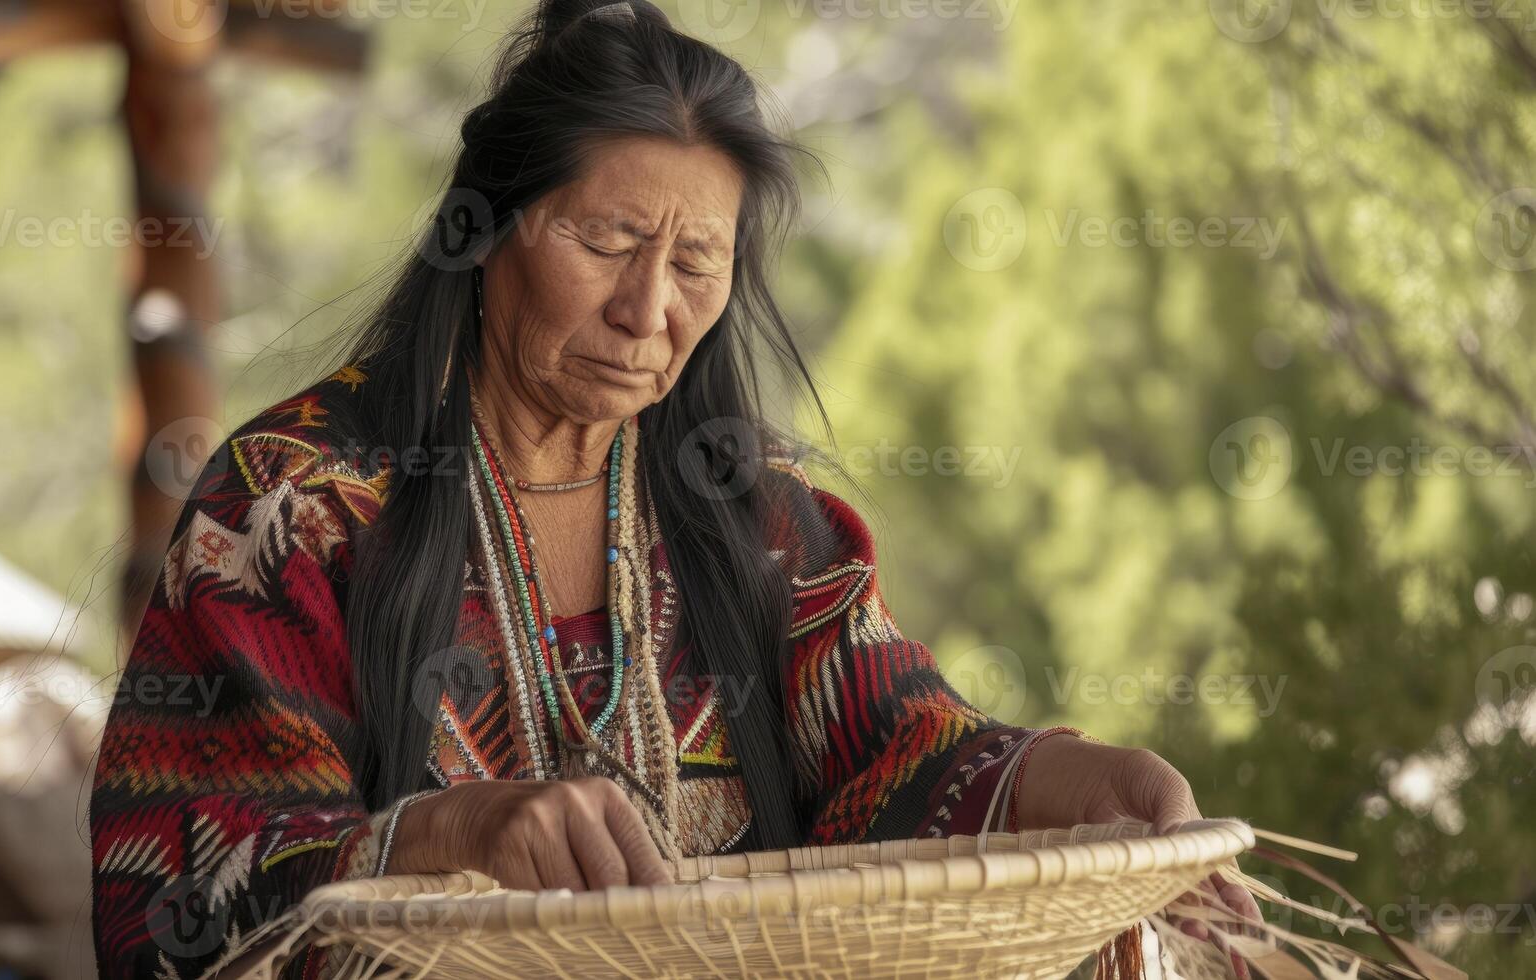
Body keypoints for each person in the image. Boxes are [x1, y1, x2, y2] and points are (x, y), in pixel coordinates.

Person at [89, 1, 1254, 975]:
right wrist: (437, 833)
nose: (651, 313)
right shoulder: (290, 508)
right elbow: (189, 882)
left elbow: (898, 753)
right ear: (483, 229)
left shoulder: (754, 518)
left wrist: (1073, 783)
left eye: (698, 262)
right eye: (606, 241)